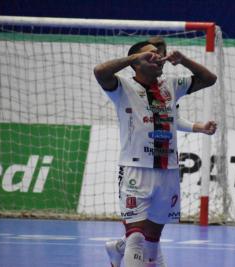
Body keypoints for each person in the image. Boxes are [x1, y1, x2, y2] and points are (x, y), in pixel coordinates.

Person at [94, 38, 216, 267]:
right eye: (149, 55)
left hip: (167, 171)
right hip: (135, 169)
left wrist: (185, 60)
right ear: (137, 63)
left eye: (158, 54)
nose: (158, 57)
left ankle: (117, 249)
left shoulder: (171, 85)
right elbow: (100, 71)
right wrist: (133, 57)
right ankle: (124, 247)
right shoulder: (122, 88)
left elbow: (209, 79)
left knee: (152, 241)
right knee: (136, 236)